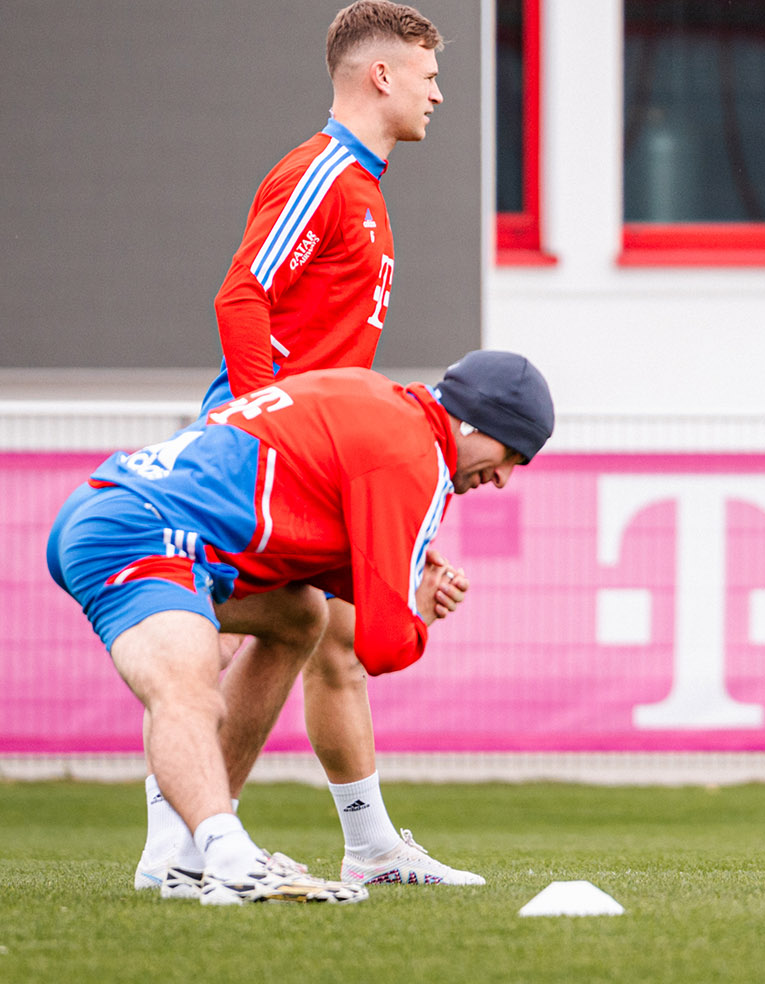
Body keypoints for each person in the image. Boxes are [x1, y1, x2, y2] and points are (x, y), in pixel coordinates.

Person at [133, 0, 479, 891]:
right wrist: (268, 427)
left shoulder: (362, 185)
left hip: (309, 457)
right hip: (263, 459)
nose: (440, 94)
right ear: (382, 76)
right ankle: (182, 849)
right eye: (430, 76)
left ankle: (349, 845)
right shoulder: (324, 170)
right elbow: (240, 296)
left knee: (323, 634)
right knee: (247, 635)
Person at [47, 351, 555, 905]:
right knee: (187, 693)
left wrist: (396, 588)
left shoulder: (372, 397)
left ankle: (193, 860)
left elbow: (310, 532)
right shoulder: (416, 455)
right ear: (476, 424)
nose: (504, 478)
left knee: (299, 618)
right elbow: (382, 644)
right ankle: (226, 856)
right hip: (139, 532)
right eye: (513, 454)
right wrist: (420, 616)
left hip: (127, 511)